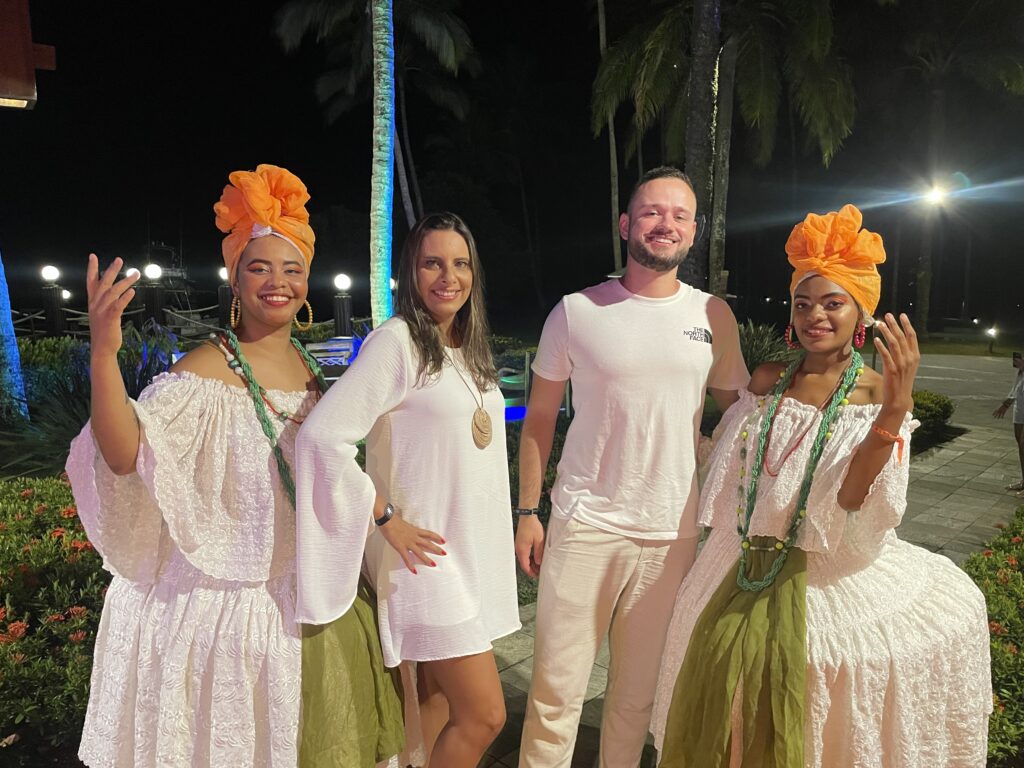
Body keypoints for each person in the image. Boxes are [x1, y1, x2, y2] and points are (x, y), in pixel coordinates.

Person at [66, 164, 403, 768]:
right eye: (260, 267)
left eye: (292, 269)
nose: (279, 282)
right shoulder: (201, 373)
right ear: (234, 277)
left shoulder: (311, 370)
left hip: (309, 603)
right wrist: (104, 352)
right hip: (225, 623)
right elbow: (122, 454)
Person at [651, 204, 992, 768]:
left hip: (826, 567)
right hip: (735, 559)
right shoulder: (766, 380)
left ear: (860, 311)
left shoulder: (874, 394)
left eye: (833, 303)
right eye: (803, 303)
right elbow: (733, 473)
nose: (815, 316)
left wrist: (897, 410)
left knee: (814, 692)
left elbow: (853, 500)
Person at [514, 166, 750, 768]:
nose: (664, 223)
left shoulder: (713, 316)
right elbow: (539, 420)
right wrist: (527, 511)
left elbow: (743, 414)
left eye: (679, 215)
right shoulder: (577, 311)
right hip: (586, 523)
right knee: (555, 695)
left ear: (694, 232)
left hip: (672, 532)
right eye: (651, 211)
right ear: (626, 224)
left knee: (635, 700)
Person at [294, 212, 521, 768]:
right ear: (411, 273)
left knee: (436, 705)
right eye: (433, 263)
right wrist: (384, 517)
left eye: (461, 263)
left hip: (467, 551)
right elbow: (321, 438)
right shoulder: (396, 343)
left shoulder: (466, 346)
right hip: (423, 558)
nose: (450, 277)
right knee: (486, 715)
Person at [993, 350, 1024, 497]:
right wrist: (1005, 405)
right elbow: (1015, 390)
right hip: (1019, 413)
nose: (1017, 361)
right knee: (1020, 447)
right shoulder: (1020, 373)